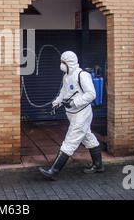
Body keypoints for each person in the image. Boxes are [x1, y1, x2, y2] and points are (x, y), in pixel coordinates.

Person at [39, 51, 104, 180]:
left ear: (70, 63)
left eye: (63, 62)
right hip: (72, 114)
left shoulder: (82, 75)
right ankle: (98, 165)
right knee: (88, 137)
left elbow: (91, 94)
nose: (61, 65)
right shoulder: (66, 76)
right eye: (61, 62)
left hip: (82, 114)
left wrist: (74, 103)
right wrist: (57, 102)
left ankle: (54, 171)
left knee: (70, 140)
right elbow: (64, 92)